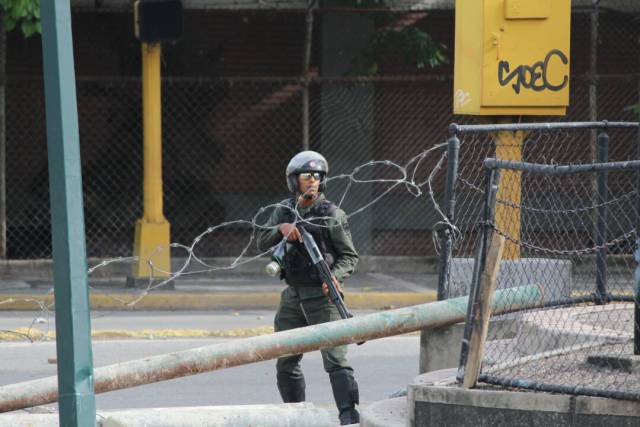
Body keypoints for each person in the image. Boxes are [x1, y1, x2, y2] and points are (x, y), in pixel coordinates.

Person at [257, 150, 360, 425]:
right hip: (293, 295)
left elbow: (349, 256)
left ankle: (349, 417)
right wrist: (281, 229)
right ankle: (296, 415)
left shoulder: (333, 215)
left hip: (323, 297)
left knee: (336, 360)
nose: (313, 181)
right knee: (286, 359)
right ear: (295, 181)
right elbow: (260, 241)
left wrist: (335, 276)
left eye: (317, 176)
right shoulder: (284, 210)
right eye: (307, 176)